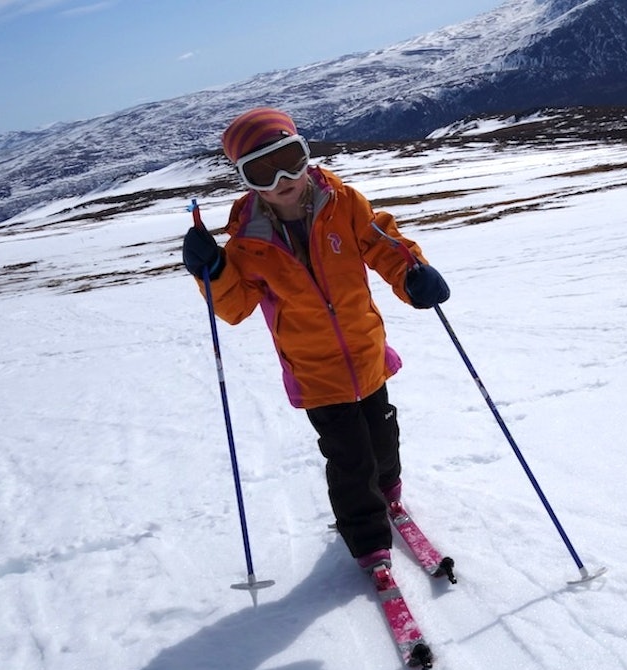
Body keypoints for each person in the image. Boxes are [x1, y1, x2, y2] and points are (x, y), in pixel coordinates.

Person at [182, 107, 451, 573]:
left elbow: (383, 243)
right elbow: (235, 307)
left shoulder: (344, 204)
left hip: (367, 353)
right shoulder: (246, 241)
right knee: (350, 459)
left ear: (306, 152)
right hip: (314, 372)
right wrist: (215, 271)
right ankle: (367, 540)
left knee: (383, 437)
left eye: (290, 157)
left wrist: (413, 275)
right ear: (246, 180)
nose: (283, 177)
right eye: (263, 170)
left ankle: (390, 494)